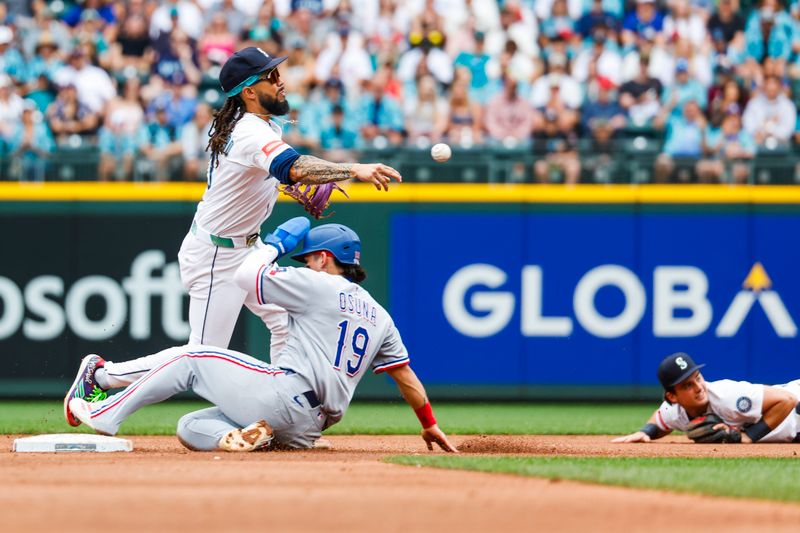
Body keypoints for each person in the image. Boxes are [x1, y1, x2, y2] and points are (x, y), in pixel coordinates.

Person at [89, 47, 401, 388]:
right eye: (271, 76)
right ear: (249, 92)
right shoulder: (250, 131)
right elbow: (293, 167)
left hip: (246, 249)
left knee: (285, 319)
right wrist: (352, 168)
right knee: (201, 359)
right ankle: (102, 376)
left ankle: (283, 405)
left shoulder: (262, 126)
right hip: (217, 254)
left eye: (278, 73)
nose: (281, 81)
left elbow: (275, 172)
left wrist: (283, 184)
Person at [64, 219, 457, 454]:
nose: (304, 263)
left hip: (286, 395)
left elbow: (244, 277)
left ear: (323, 258)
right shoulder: (381, 317)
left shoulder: (318, 283)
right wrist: (428, 422)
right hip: (308, 429)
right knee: (190, 427)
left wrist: (273, 245)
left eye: (308, 257)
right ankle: (248, 437)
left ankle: (104, 413)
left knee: (195, 355)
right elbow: (406, 378)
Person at [612, 352, 800, 444]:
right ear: (672, 396)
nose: (698, 387)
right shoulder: (674, 410)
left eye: (698, 378)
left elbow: (787, 400)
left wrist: (748, 437)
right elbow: (661, 416)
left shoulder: (726, 395)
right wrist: (647, 431)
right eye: (687, 385)